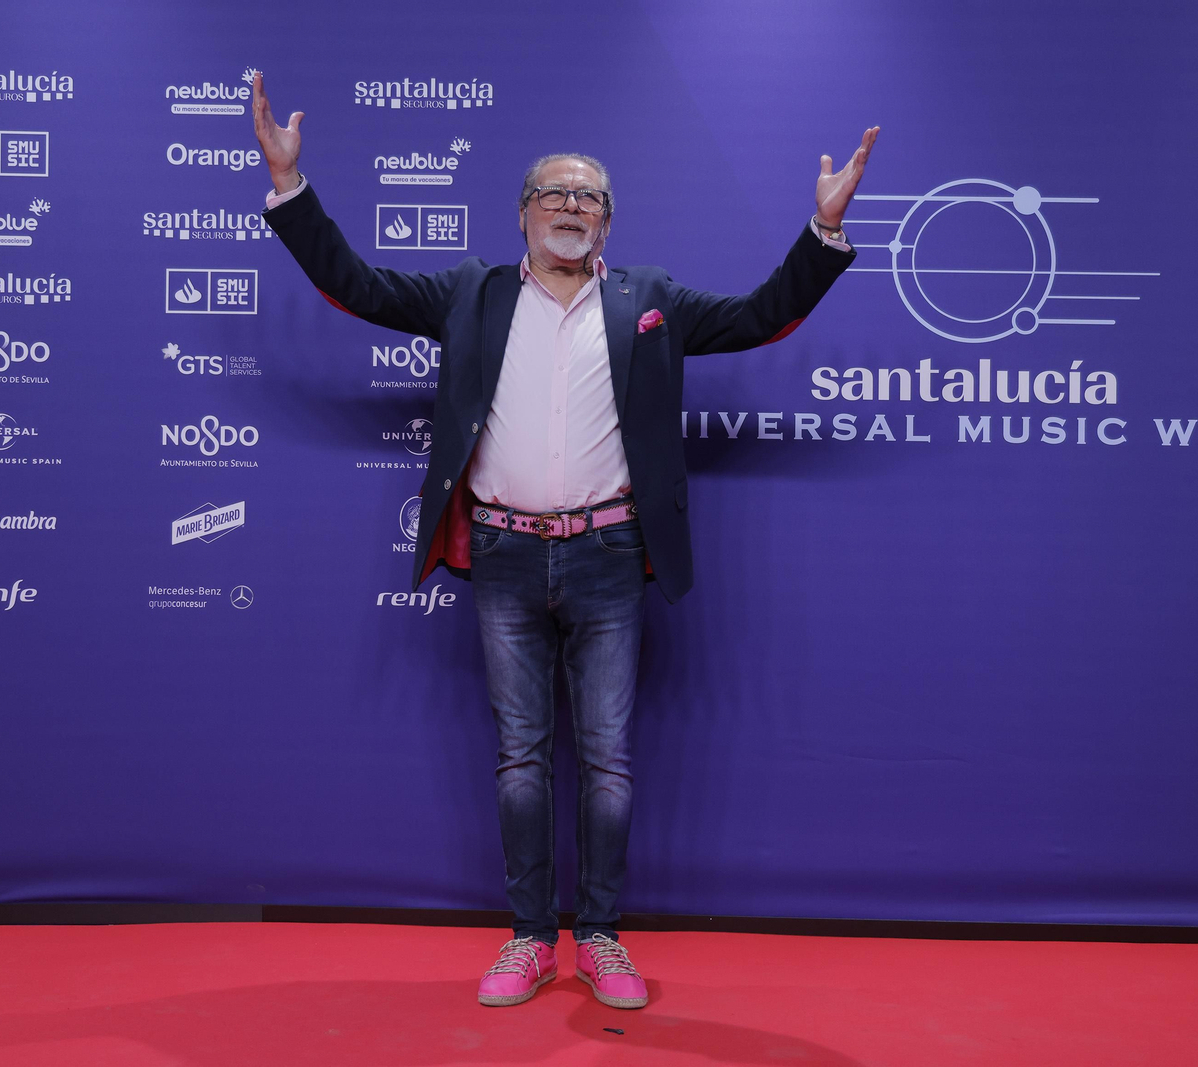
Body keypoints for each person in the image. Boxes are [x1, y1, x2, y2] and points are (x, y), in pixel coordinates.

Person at [250, 71, 877, 1010]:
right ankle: (529, 937)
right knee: (520, 759)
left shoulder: (650, 302)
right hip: (502, 555)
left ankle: (603, 937)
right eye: (555, 193)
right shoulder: (469, 294)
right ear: (524, 215)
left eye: (589, 197)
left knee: (611, 759)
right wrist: (291, 188)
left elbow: (759, 317)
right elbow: (357, 287)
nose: (571, 207)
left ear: (609, 225)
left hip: (611, 556)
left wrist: (821, 234)